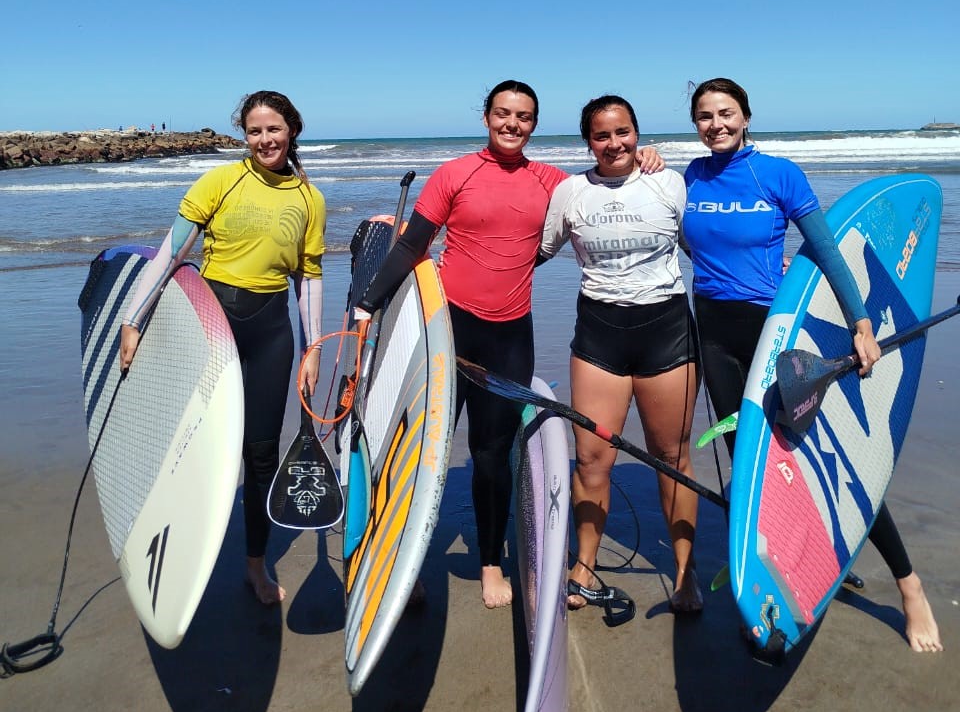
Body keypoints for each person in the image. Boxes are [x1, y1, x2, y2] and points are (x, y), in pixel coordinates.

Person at [359, 80, 664, 609]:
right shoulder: (455, 173)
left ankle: (489, 564)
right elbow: (414, 243)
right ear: (486, 117)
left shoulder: (551, 181)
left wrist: (647, 161)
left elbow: (603, 194)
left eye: (523, 117)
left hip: (508, 334)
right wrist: (368, 306)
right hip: (446, 331)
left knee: (491, 454)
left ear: (534, 124)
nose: (512, 124)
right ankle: (398, 562)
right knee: (417, 449)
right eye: (503, 114)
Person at [682, 77, 942, 652]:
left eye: (726, 113)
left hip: (774, 332)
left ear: (746, 116)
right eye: (705, 115)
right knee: (754, 464)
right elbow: (688, 242)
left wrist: (861, 321)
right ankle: (805, 558)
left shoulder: (777, 174)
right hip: (716, 337)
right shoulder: (689, 179)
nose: (716, 124)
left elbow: (825, 248)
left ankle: (909, 584)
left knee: (829, 461)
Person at [119, 90, 326, 606]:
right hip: (213, 324)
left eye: (273, 129)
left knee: (260, 453)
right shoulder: (221, 180)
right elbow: (173, 250)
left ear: (291, 130)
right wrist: (133, 319)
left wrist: (313, 347)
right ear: (244, 135)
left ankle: (255, 565)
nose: (265, 140)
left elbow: (310, 277)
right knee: (194, 443)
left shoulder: (309, 199)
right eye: (255, 131)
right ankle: (175, 545)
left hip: (272, 330)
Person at [539, 95, 702, 614]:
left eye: (623, 132)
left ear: (637, 133)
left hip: (666, 330)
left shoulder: (669, 182)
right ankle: (583, 566)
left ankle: (684, 574)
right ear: (588, 141)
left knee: (672, 458)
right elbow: (534, 252)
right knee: (591, 460)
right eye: (602, 135)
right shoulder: (570, 192)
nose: (615, 144)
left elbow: (711, 247)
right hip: (600, 335)